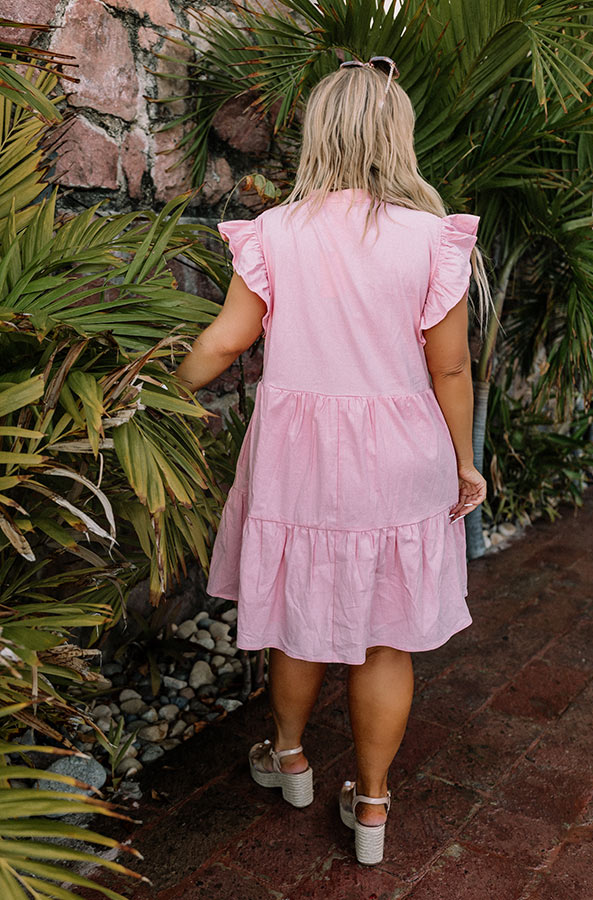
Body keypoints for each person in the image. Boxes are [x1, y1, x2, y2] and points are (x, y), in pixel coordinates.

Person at [176, 56, 488, 866]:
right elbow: (449, 369)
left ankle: (289, 759)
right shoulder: (430, 238)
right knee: (388, 638)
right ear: (397, 134)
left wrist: (152, 394)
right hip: (400, 453)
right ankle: (375, 809)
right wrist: (464, 461)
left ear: (320, 132)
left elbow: (224, 340)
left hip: (299, 456)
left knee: (299, 621)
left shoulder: (278, 231)